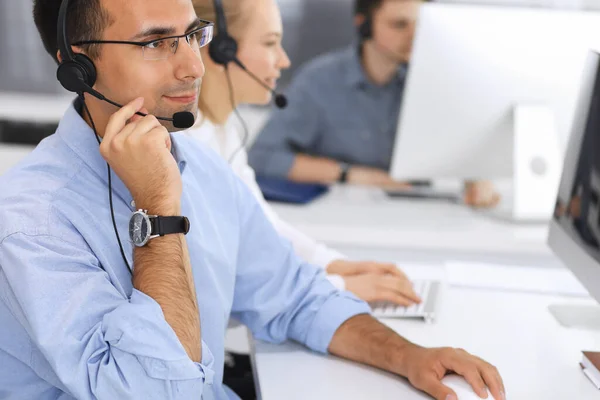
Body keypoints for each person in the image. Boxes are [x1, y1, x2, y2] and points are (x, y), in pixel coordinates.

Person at [0, 1, 505, 400]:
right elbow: (155, 392)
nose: (192, 66)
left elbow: (295, 295)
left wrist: (409, 357)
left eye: (194, 35)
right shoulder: (32, 222)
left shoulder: (202, 170)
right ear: (77, 67)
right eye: (155, 42)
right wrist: (156, 210)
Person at [188, 0, 421, 309]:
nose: (283, 61)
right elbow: (231, 278)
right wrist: (339, 285)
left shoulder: (223, 131)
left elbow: (263, 228)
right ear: (221, 49)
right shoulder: (188, 146)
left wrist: (336, 264)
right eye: (270, 43)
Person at [248, 0, 499, 208]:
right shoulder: (319, 81)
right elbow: (263, 157)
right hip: (342, 214)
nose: (414, 36)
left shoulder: (437, 81)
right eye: (399, 25)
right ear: (364, 24)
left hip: (418, 213)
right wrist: (351, 175)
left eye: (421, 24)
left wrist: (476, 178)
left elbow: (464, 147)